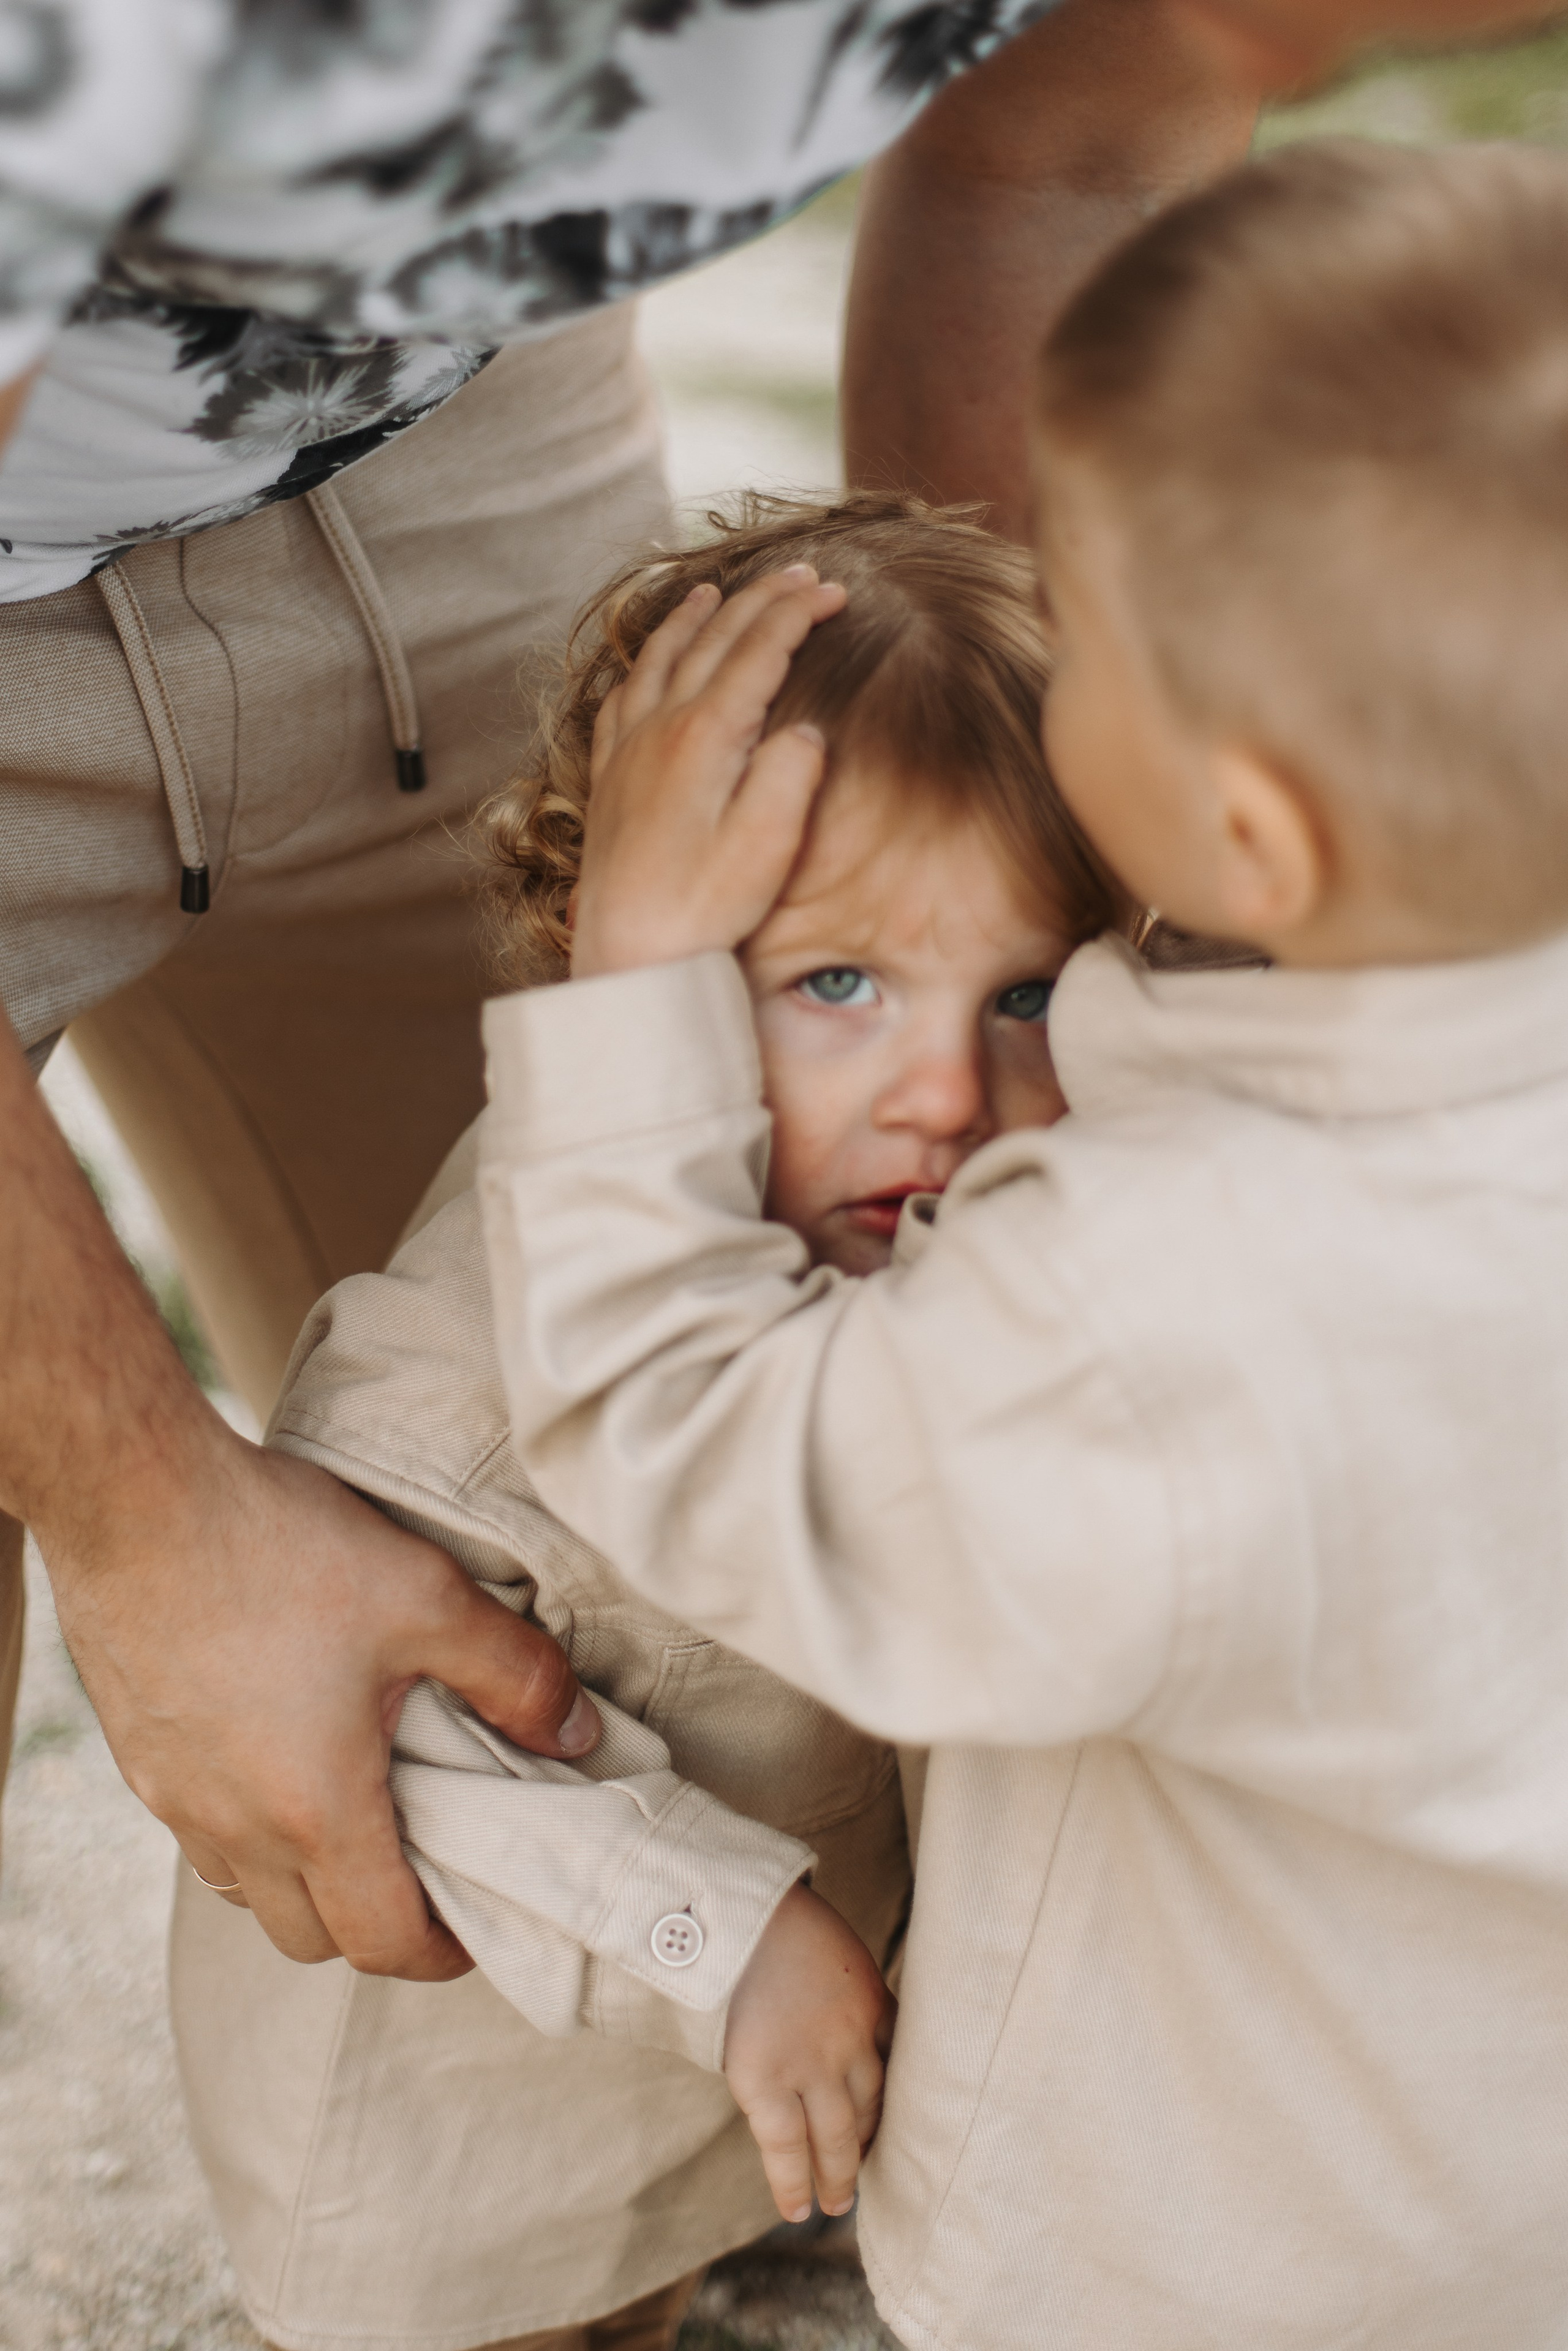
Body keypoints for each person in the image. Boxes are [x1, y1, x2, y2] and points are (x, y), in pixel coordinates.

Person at [0, 0, 1286, 1974]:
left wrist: (1001, 909)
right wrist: (150, 1520)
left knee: (562, 1519)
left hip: (446, 401)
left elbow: (1081, 129)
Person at [470, 141, 1568, 2350]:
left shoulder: (1163, 1315)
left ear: (1251, 825)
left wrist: (643, 995)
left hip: (1211, 2262)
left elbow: (705, 1447)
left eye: (1095, 624)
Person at [166, 491, 1128, 2351]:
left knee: (656, 2278)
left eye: (1025, 991)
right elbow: (371, 1737)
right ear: (617, 946)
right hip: (466, 2103)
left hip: (734, 2048)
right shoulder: (493, 1339)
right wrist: (725, 1935)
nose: (945, 1088)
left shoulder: (942, 1219)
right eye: (836, 987)